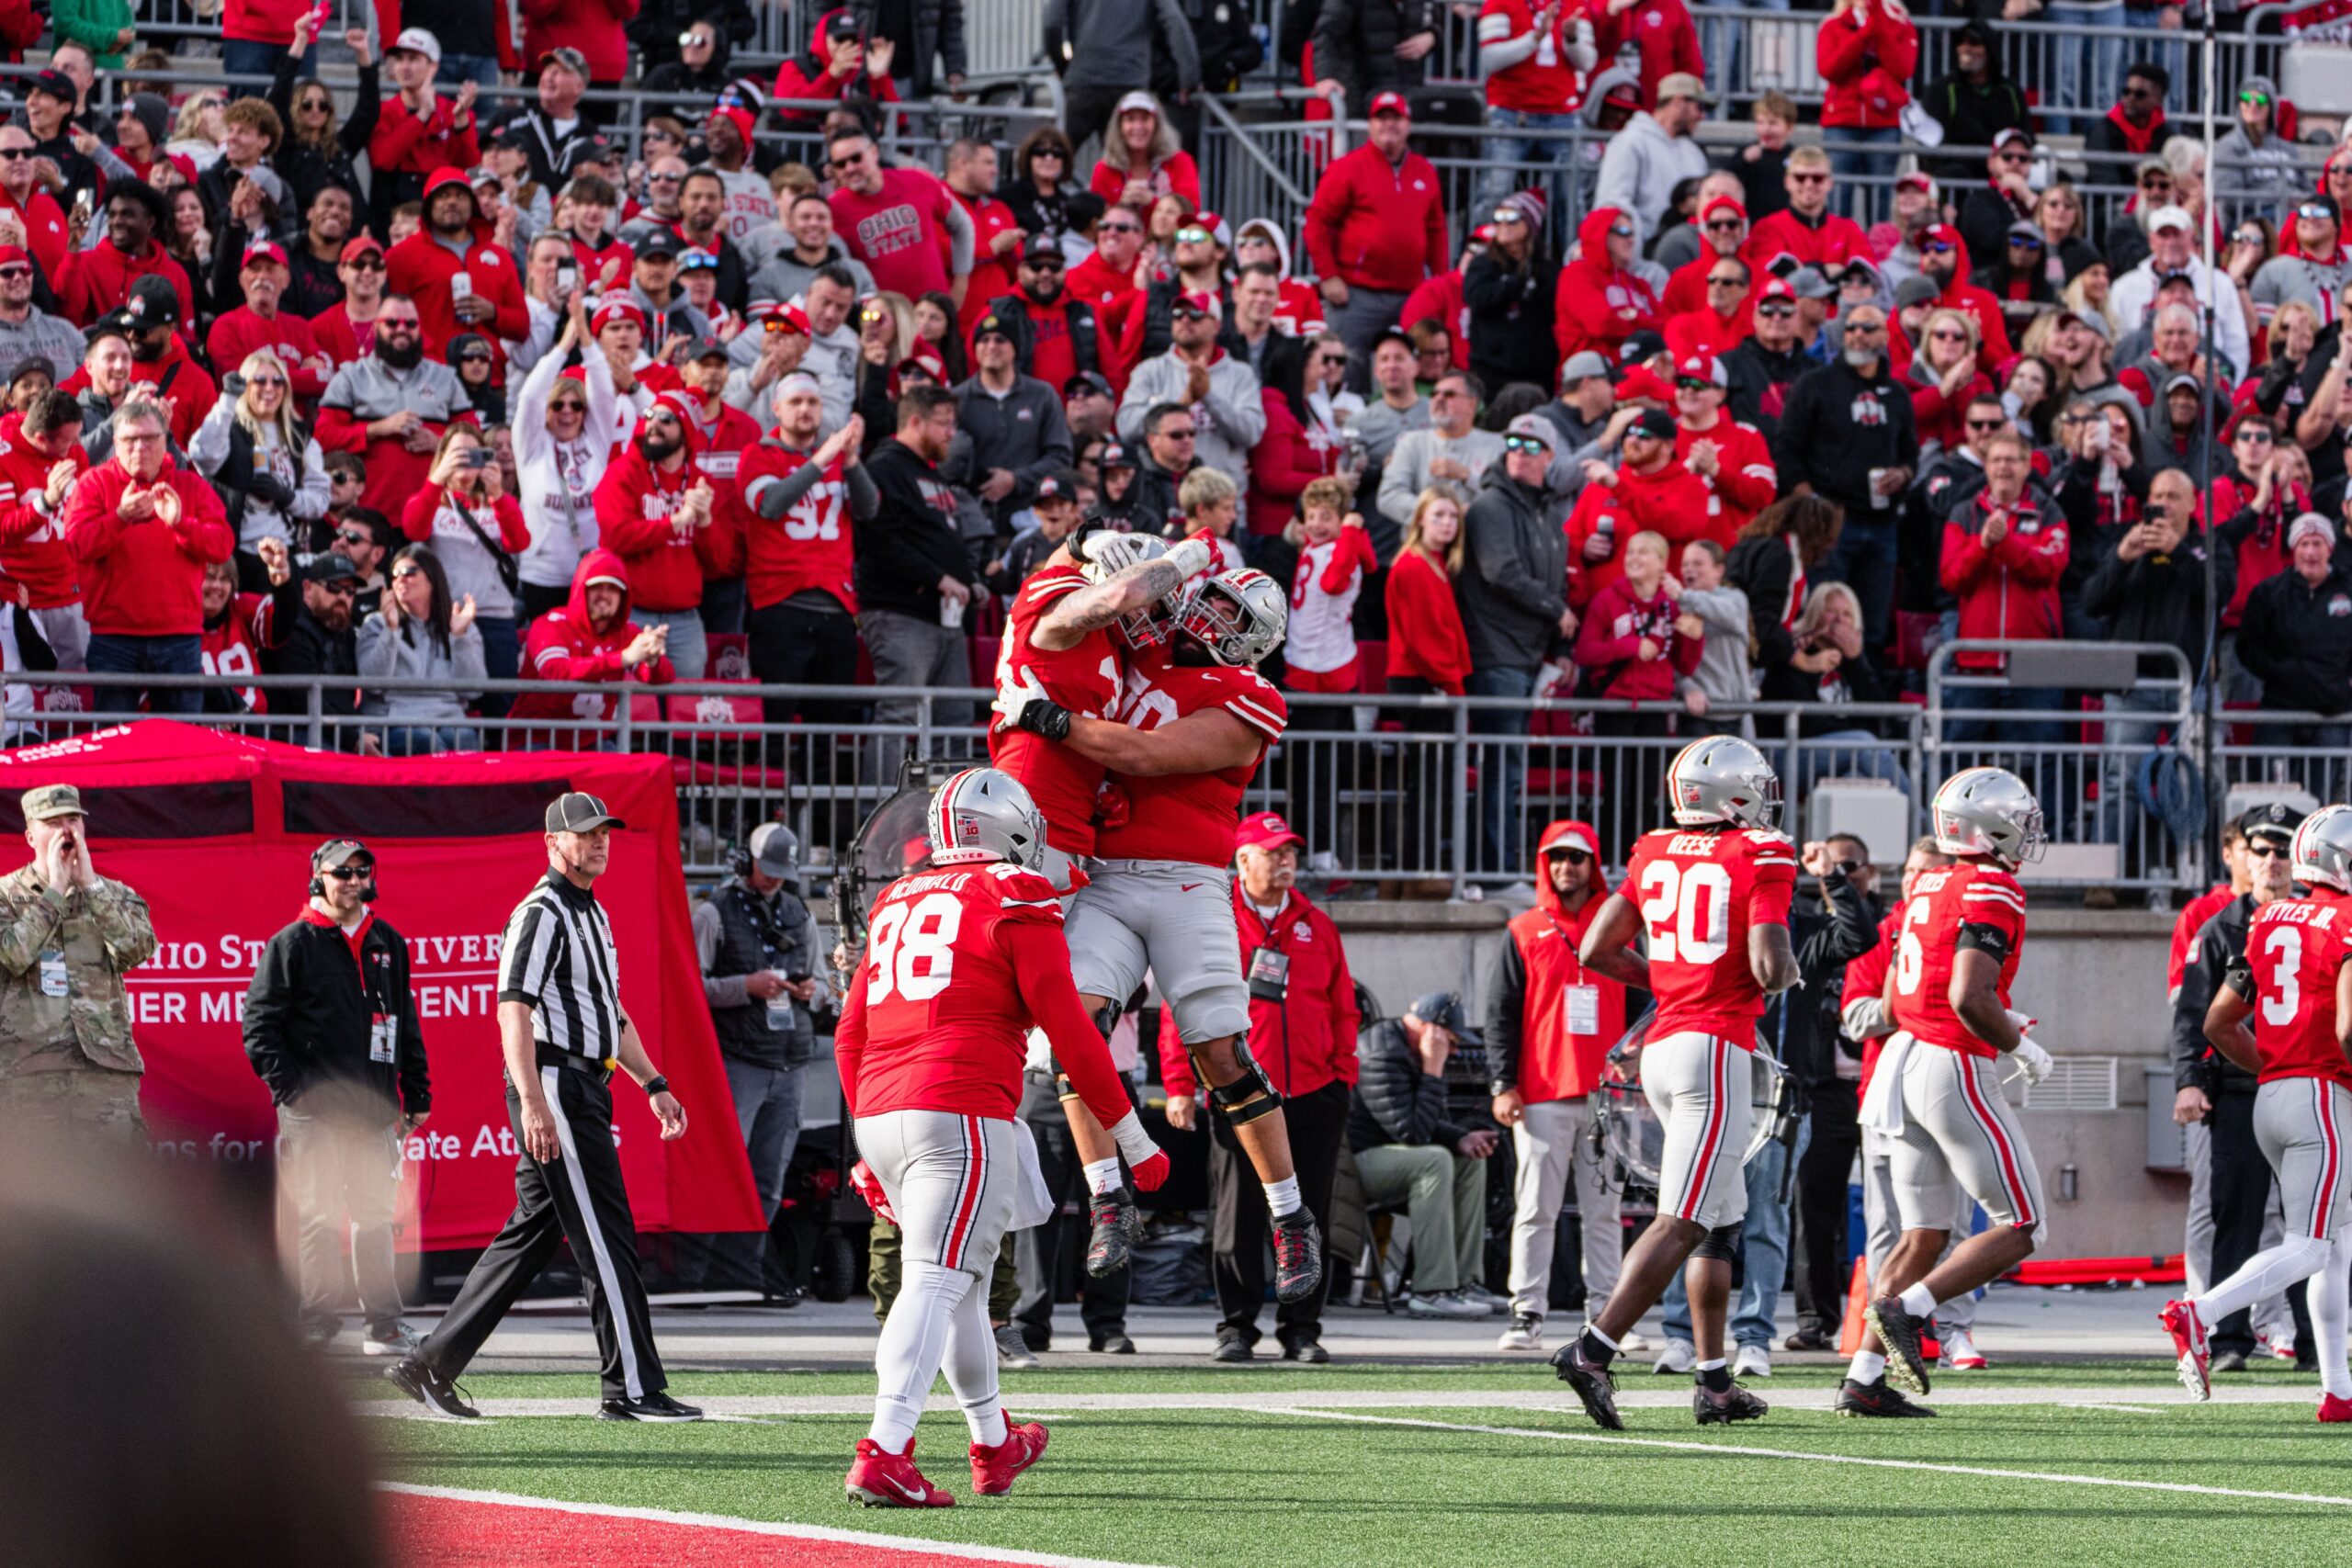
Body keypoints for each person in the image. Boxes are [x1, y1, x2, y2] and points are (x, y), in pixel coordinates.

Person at [993, 568, 1326, 1315]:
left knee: (1219, 1050)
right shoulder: (1141, 660)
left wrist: (1043, 717)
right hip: (1105, 875)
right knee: (1075, 1030)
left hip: (1189, 880)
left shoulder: (1254, 696)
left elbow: (1147, 756)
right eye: (1206, 597)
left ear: (1256, 638)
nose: (1202, 612)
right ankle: (1110, 1198)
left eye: (1224, 609)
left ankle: (1289, 1214)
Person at [835, 768, 1167, 1506]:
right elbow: (1072, 1030)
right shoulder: (1014, 893)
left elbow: (850, 1031)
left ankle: (993, 1442)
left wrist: (865, 1138)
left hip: (884, 1108)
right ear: (1011, 828)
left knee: (965, 1288)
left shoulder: (896, 896)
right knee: (934, 1276)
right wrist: (1131, 1137)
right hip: (958, 1105)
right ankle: (886, 1447)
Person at [388, 794, 701, 1425]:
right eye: (585, 834)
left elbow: (611, 1014)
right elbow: (513, 1009)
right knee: (606, 1236)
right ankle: (631, 1387)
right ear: (553, 842)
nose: (599, 842)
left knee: (532, 1234)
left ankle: (429, 1362)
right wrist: (533, 1100)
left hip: (587, 1080)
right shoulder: (542, 910)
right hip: (555, 1082)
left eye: (604, 833)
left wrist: (653, 1081)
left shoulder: (593, 913)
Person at [1554, 738, 1798, 1429]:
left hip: (1663, 1047)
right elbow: (1770, 960)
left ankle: (1715, 1382)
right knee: (1685, 1217)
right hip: (1714, 1049)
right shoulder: (1762, 852)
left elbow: (1596, 947)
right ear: (1736, 795)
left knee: (1720, 1223)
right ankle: (1594, 1349)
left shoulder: (1653, 847)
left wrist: (1667, 984)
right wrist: (1784, 976)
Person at [1848, 767, 2055, 1416]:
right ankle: (1907, 1310)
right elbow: (1968, 994)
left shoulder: (1929, 880)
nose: (2025, 832)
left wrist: (1999, 1016)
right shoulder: (1991, 884)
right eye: (2018, 820)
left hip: (1904, 1056)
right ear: (1988, 825)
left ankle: (1862, 1377)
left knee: (1922, 1236)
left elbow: (1922, 986)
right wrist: (2021, 1044)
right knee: (2023, 1223)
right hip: (1950, 1062)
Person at [2168, 804, 2352, 1418]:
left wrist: (2275, 1062)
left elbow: (2218, 1021)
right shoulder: (2346, 920)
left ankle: (2337, 1389)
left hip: (2271, 1095)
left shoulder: (2269, 917)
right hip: (2322, 1096)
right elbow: (2349, 1028)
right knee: (2307, 1245)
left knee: (2337, 1243)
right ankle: (2203, 1312)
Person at [1163, 808, 1357, 1360]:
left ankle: (1301, 1330)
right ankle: (1236, 1327)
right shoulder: (1214, 920)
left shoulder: (1316, 923)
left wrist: (1344, 1073)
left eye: (1291, 852)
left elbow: (1344, 1006)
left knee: (1309, 1212)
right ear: (1242, 861)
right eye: (1274, 852)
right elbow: (1186, 1004)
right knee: (1238, 1212)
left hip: (1315, 1092)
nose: (1286, 861)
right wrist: (1180, 1083)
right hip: (1238, 1092)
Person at [242, 839, 429, 1355]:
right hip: (313, 1112)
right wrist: (293, 1094)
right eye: (339, 872)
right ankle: (316, 1323)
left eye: (360, 871)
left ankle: (384, 1326)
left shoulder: (387, 941)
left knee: (374, 1215)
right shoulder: (292, 944)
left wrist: (417, 1089)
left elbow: (404, 1020)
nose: (351, 880)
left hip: (372, 1109)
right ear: (317, 878)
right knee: (319, 1216)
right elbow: (259, 1029)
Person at [1488, 818, 1631, 1352]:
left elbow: (1644, 1004)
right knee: (1535, 1208)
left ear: (1594, 865)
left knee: (1605, 1213)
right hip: (1542, 1090)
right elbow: (1499, 1013)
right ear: (1544, 865)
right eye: (1556, 857)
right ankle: (1527, 1312)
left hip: (1607, 1095)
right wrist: (1502, 1083)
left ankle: (1609, 1315)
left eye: (1576, 857)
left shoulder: (1620, 925)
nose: (1566, 867)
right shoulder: (1523, 928)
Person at [692, 820, 826, 1300]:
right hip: (738, 1060)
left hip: (790, 1061)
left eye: (780, 872)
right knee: (722, 1169)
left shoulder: (800, 914)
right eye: (766, 870)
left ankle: (743, 1271)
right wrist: (744, 987)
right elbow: (689, 987)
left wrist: (812, 991)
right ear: (745, 862)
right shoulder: (713, 913)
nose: (774, 879)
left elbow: (825, 985)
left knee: (770, 1176)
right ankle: (698, 1273)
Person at [62, 395, 235, 716]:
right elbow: (76, 545)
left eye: (149, 439)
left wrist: (181, 524)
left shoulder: (191, 486)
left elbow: (222, 546)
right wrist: (119, 518)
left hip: (179, 637)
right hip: (113, 637)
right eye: (130, 440)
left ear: (165, 441)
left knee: (181, 746)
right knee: (114, 747)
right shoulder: (94, 483)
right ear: (115, 442)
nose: (140, 447)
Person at [0, 784, 155, 1136]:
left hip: (106, 1075)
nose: (66, 830)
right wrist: (54, 891)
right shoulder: (6, 895)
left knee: (114, 1187)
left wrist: (91, 888)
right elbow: (12, 955)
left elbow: (136, 950)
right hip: (29, 1076)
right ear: (30, 836)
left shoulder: (114, 894)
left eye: (73, 819)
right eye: (52, 822)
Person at [1458, 413, 1573, 873]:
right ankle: (1497, 869)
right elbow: (1500, 571)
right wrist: (1556, 612)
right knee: (1500, 767)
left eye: (1531, 444)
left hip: (1526, 656)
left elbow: (1560, 582)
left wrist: (1562, 647)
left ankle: (1502, 864)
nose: (1520, 451)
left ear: (1549, 456)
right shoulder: (1491, 505)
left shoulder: (1546, 513)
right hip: (1496, 653)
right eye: (1513, 442)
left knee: (1508, 768)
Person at [1774, 303, 1917, 657]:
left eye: (1868, 328)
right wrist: (1812, 503)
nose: (1857, 335)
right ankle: (1822, 702)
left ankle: (1862, 709)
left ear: (1885, 336)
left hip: (1883, 526)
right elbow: (1787, 448)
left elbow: (1911, 456)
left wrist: (1902, 474)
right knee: (1823, 620)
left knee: (1872, 625)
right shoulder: (1816, 384)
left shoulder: (1898, 395)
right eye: (1851, 328)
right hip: (1830, 524)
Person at [1350, 988, 1497, 1317]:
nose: (1454, 1051)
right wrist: (1433, 1070)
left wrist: (1462, 1138)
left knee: (1469, 1160)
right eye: (1453, 1041)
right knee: (1434, 1160)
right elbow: (1411, 1133)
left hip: (1390, 1155)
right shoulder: (1382, 1052)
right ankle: (1431, 1290)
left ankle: (1464, 1282)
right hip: (1354, 1165)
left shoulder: (1407, 1048)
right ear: (1430, 1029)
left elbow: (1423, 1124)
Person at [861, 385, 983, 773]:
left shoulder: (931, 474)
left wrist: (969, 579)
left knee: (955, 718)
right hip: (901, 614)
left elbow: (937, 539)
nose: (952, 434)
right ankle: (876, 818)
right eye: (944, 424)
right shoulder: (884, 468)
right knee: (899, 714)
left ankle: (946, 818)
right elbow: (881, 541)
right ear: (915, 422)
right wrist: (938, 577)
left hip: (945, 617)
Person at [1301, 94, 1449, 376]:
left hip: (1411, 292)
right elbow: (1317, 222)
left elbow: (1436, 230)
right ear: (1370, 125)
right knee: (1345, 372)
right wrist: (1328, 275)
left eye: (1396, 118)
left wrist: (1439, 283)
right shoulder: (1348, 168)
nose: (1389, 125)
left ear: (1408, 125)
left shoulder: (1425, 171)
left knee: (1413, 372)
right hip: (1357, 293)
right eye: (1381, 118)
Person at [316, 297, 474, 517]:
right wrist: (379, 428)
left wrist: (440, 444)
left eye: (410, 324)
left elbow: (477, 447)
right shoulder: (351, 376)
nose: (401, 329)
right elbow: (323, 437)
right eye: (391, 323)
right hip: (369, 517)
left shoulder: (445, 378)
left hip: (436, 515)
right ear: (376, 326)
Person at [403, 425, 531, 696]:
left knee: (499, 708)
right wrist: (437, 478)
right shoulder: (429, 501)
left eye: (473, 454)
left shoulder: (500, 502)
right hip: (442, 617)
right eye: (457, 454)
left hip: (494, 617)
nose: (465, 461)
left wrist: (498, 495)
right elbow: (413, 529)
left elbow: (518, 542)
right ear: (443, 457)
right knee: (450, 700)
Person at [511, 549, 676, 738]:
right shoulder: (550, 625)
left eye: (613, 589)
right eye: (597, 587)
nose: (604, 595)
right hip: (536, 742)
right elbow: (554, 670)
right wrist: (622, 658)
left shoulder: (626, 632)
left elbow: (664, 677)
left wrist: (652, 658)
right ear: (581, 589)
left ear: (623, 596)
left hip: (592, 744)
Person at [356, 544, 486, 755]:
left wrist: (460, 638)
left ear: (432, 579)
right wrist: (391, 631)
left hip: (449, 721)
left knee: (465, 738)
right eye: (395, 575)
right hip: (393, 723)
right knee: (425, 740)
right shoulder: (376, 624)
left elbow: (474, 689)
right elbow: (372, 684)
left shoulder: (460, 625)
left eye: (409, 572)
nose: (400, 580)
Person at [825, 128, 975, 306]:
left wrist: (961, 282)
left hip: (933, 311)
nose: (850, 168)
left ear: (874, 152)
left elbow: (962, 225)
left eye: (856, 158)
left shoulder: (918, 181)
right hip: (883, 319)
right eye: (840, 164)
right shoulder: (833, 208)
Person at [1592, 73, 1710, 250]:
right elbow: (1611, 205)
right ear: (1679, 102)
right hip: (1643, 252)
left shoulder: (1694, 152)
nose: (1702, 116)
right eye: (1699, 107)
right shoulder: (1629, 142)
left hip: (1688, 251)